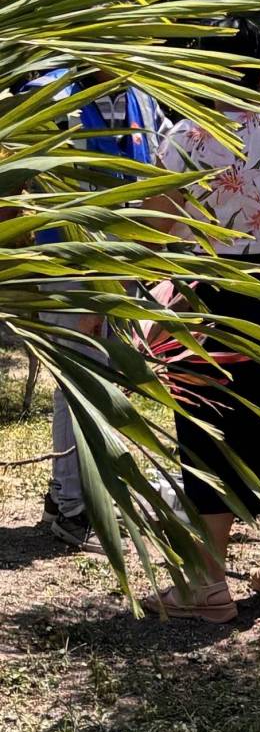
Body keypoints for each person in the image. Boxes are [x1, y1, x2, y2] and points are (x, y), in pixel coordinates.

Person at [141, 17, 260, 620]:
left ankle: (209, 584)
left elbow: (153, 229)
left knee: (207, 427)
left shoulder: (187, 140)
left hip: (209, 294)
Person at [33, 72, 162, 551]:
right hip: (68, 265)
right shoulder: (51, 95)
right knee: (79, 384)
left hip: (125, 264)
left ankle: (73, 494)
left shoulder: (143, 98)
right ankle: (75, 508)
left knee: (102, 383)